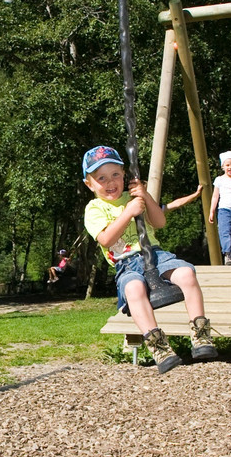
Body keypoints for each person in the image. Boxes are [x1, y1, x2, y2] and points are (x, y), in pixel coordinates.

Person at [82, 145, 217, 374]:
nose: (110, 182)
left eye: (115, 174)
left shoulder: (135, 196)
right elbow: (105, 239)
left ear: (124, 175)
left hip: (155, 254)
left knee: (186, 273)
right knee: (134, 290)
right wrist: (128, 212)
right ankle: (158, 346)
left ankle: (201, 334)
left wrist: (145, 196)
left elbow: (159, 222)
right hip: (126, 263)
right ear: (90, 184)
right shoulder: (94, 208)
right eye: (101, 178)